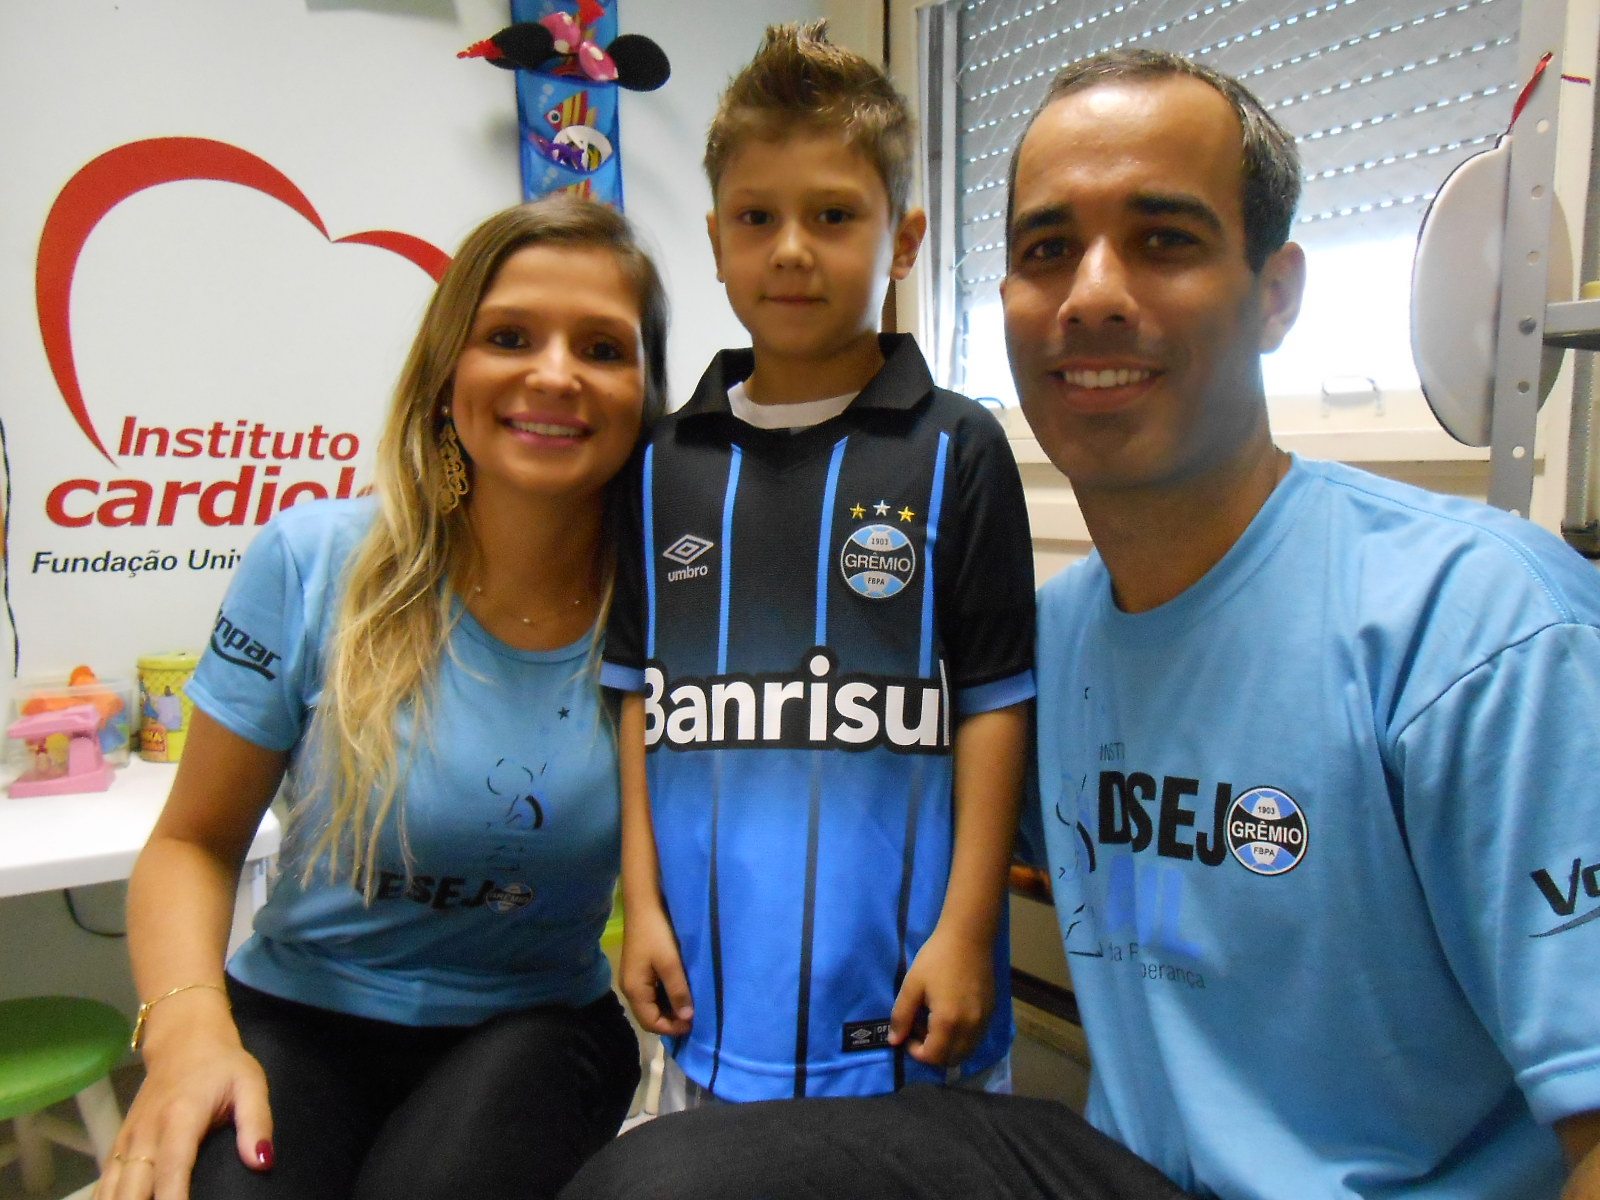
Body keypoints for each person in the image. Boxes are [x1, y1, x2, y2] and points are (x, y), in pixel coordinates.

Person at [559, 49, 1600, 1200]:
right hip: (1108, 1171)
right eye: (1046, 250)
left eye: (1164, 239)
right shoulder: (1061, 646)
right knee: (647, 1183)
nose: (1093, 294)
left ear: (1276, 292)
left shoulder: (1481, 629)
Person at [99, 195, 669, 1200]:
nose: (552, 372)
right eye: (507, 336)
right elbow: (192, 842)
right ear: (449, 373)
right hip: (297, 1011)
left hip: (534, 1030)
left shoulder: (672, 608)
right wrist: (187, 1036)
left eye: (602, 347)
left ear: (644, 392)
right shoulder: (314, 562)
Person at [601, 21, 1036, 1106]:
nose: (791, 248)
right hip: (709, 1006)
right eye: (757, 218)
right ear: (712, 238)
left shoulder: (956, 447)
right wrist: (640, 907)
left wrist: (971, 930)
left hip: (909, 1007)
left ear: (902, 238)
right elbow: (637, 705)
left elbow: (993, 704)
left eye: (833, 216)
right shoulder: (658, 464)